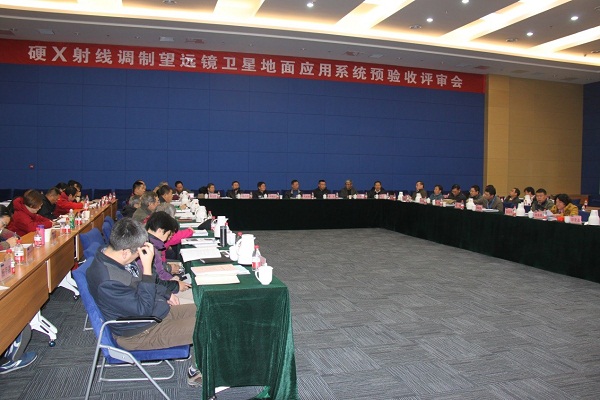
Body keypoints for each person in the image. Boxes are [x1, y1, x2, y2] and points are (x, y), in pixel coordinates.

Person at [85, 218, 201, 386]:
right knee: (209, 325)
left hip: (155, 313)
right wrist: (147, 269)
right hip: (140, 332)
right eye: (138, 253)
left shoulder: (112, 257)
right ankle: (197, 372)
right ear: (125, 252)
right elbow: (142, 310)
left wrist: (165, 293)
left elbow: (137, 283)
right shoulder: (108, 280)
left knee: (207, 310)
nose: (140, 256)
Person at [141, 211, 190, 294]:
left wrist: (172, 279)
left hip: (159, 286)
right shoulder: (147, 248)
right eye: (168, 234)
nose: (169, 238)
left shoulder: (150, 243)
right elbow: (153, 281)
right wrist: (176, 286)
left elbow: (158, 269)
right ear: (160, 231)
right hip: (154, 291)